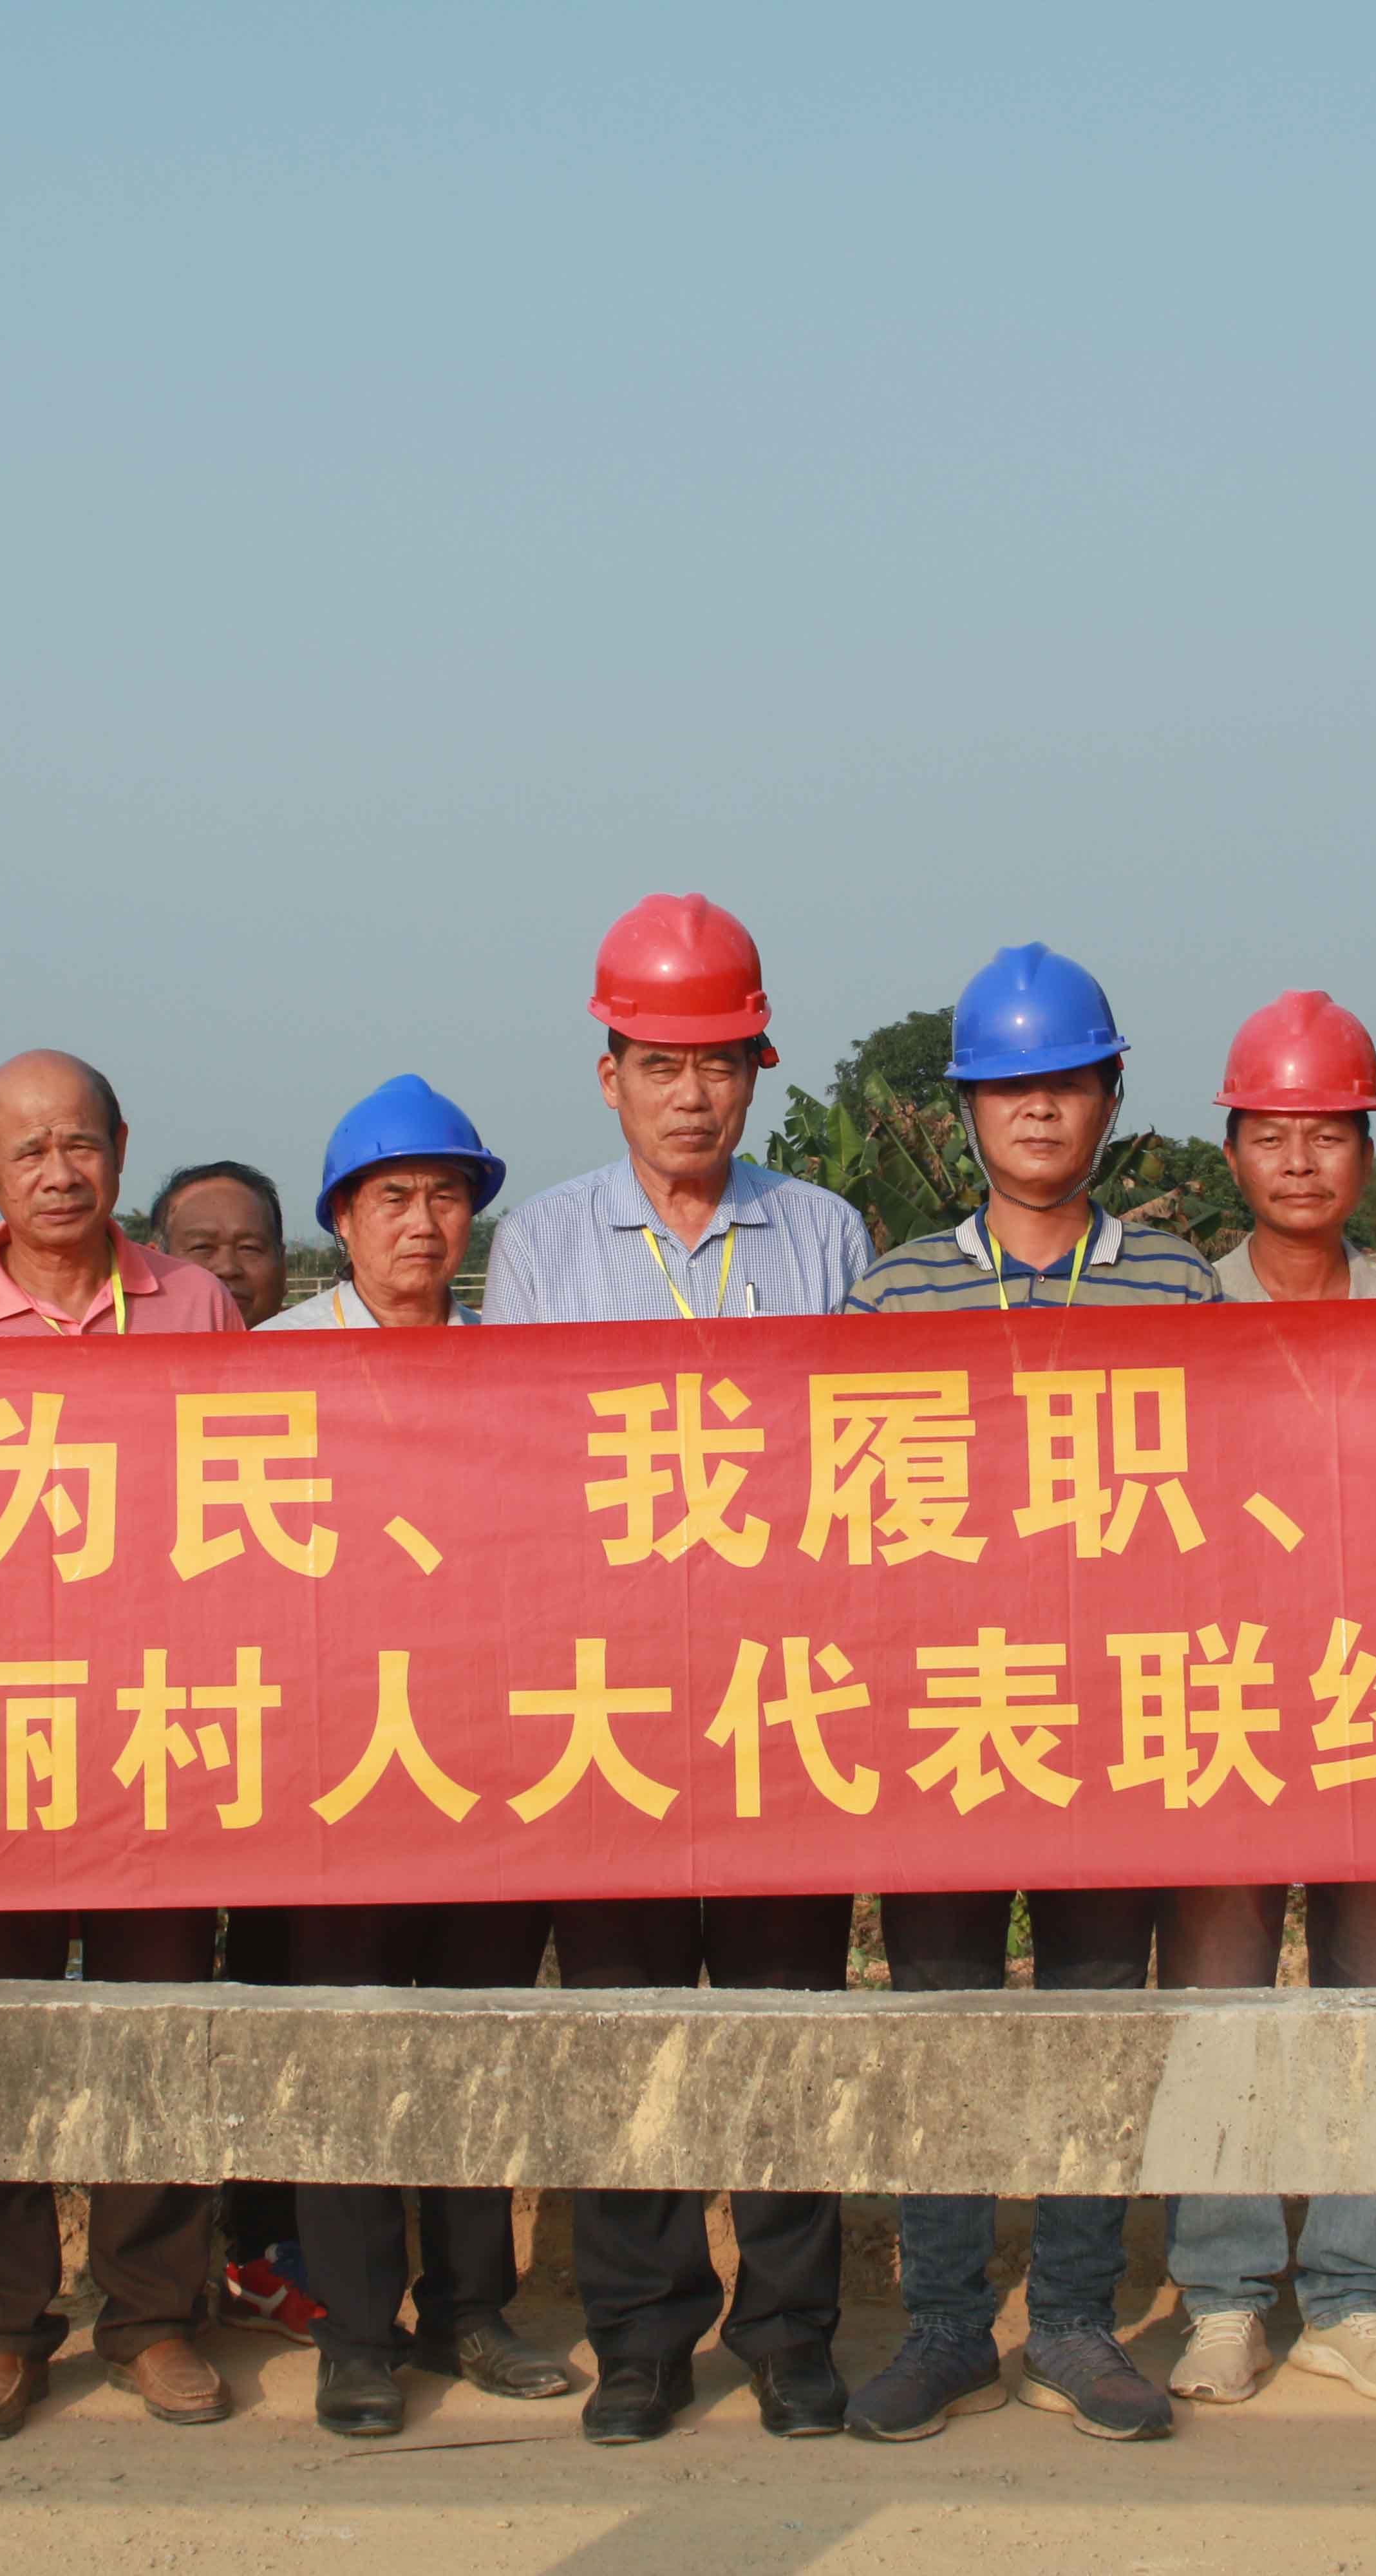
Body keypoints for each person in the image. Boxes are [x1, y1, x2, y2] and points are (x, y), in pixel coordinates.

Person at [480, 893, 873, 2447]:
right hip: (614, 1701)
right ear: (610, 1076)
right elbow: (517, 1475)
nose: (690, 1093)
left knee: (786, 2022)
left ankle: (789, 2330)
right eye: (660, 1064)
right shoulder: (544, 1243)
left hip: (784, 1700)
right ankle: (641, 2335)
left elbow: (865, 1468)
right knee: (627, 2019)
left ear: (759, 1069)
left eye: (718, 1061)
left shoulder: (825, 1233)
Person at [834, 943, 1221, 2447]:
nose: (1040, 1112)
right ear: (967, 1111)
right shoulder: (896, 1289)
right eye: (1010, 1090)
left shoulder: (1174, 1279)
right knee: (941, 2022)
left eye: (1067, 1083)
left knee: (1092, 2018)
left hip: (1119, 1710)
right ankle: (945, 2322)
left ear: (1112, 1097)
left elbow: (1217, 1493)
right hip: (948, 1712)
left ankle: (1070, 2315)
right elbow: (851, 1516)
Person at [0, 1050, 245, 2441]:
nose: (58, 1171)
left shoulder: (196, 1304)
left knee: (159, 2025)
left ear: (122, 1148)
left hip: (162, 1724)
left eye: (80, 1143)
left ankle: (153, 2314)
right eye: (27, 1150)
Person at [256, 1077, 578, 2436]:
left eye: (447, 1196)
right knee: (347, 2043)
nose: (423, 1223)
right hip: (334, 1763)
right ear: (342, 1218)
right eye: (393, 1197)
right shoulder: (271, 1362)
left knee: (476, 2039)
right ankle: (355, 2329)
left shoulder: (518, 1363)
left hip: (486, 1756)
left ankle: (470, 2305)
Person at [1152, 992, 1376, 2412]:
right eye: (1273, 1136)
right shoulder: (1182, 1313)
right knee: (1220, 2003)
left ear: (1367, 1154)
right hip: (1222, 1701)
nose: (1301, 1162)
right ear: (1232, 1153)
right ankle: (1222, 2294)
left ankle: (1350, 2288)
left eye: (1329, 1134)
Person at [142, 1159, 316, 2329]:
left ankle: (266, 2247)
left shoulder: (320, 1364)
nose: (227, 1268)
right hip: (153, 1737)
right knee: (159, 1997)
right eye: (198, 1247)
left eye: (250, 1245)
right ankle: (155, 2281)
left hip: (297, 1749)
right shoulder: (127, 1377)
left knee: (277, 1987)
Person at [153, 1160, 292, 1329]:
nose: (227, 1268)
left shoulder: (317, 1341)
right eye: (202, 1247)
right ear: (155, 1263)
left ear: (283, 1267)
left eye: (249, 1248)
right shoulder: (127, 1343)